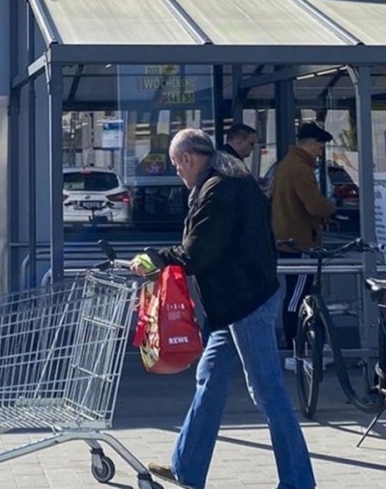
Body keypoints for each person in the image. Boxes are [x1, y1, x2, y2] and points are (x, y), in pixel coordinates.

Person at [130, 128, 315, 489]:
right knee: (209, 382)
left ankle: (298, 482)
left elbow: (198, 252)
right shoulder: (227, 178)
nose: (177, 173)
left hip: (245, 302)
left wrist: (154, 258)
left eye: (176, 165)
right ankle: (187, 468)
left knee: (268, 391)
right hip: (233, 304)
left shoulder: (218, 190)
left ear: (186, 158)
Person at [271, 122, 336, 366]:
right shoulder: (300, 169)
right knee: (299, 296)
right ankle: (293, 346)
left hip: (287, 239)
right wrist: (331, 206)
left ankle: (304, 343)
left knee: (298, 294)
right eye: (319, 148)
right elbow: (315, 205)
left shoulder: (285, 165)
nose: (320, 152)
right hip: (301, 242)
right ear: (309, 145)